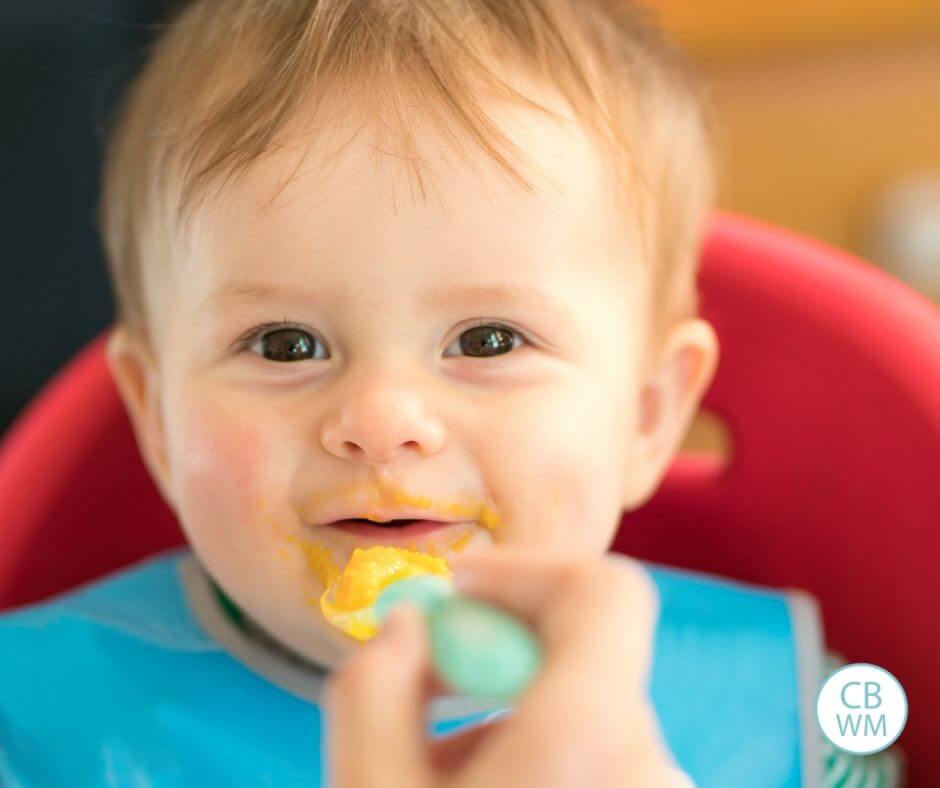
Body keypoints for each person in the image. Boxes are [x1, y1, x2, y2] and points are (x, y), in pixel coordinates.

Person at [0, 0, 903, 785]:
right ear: (156, 417)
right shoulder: (29, 719)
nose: (383, 421)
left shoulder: (800, 706)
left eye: (488, 339)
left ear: (646, 414)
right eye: (284, 344)